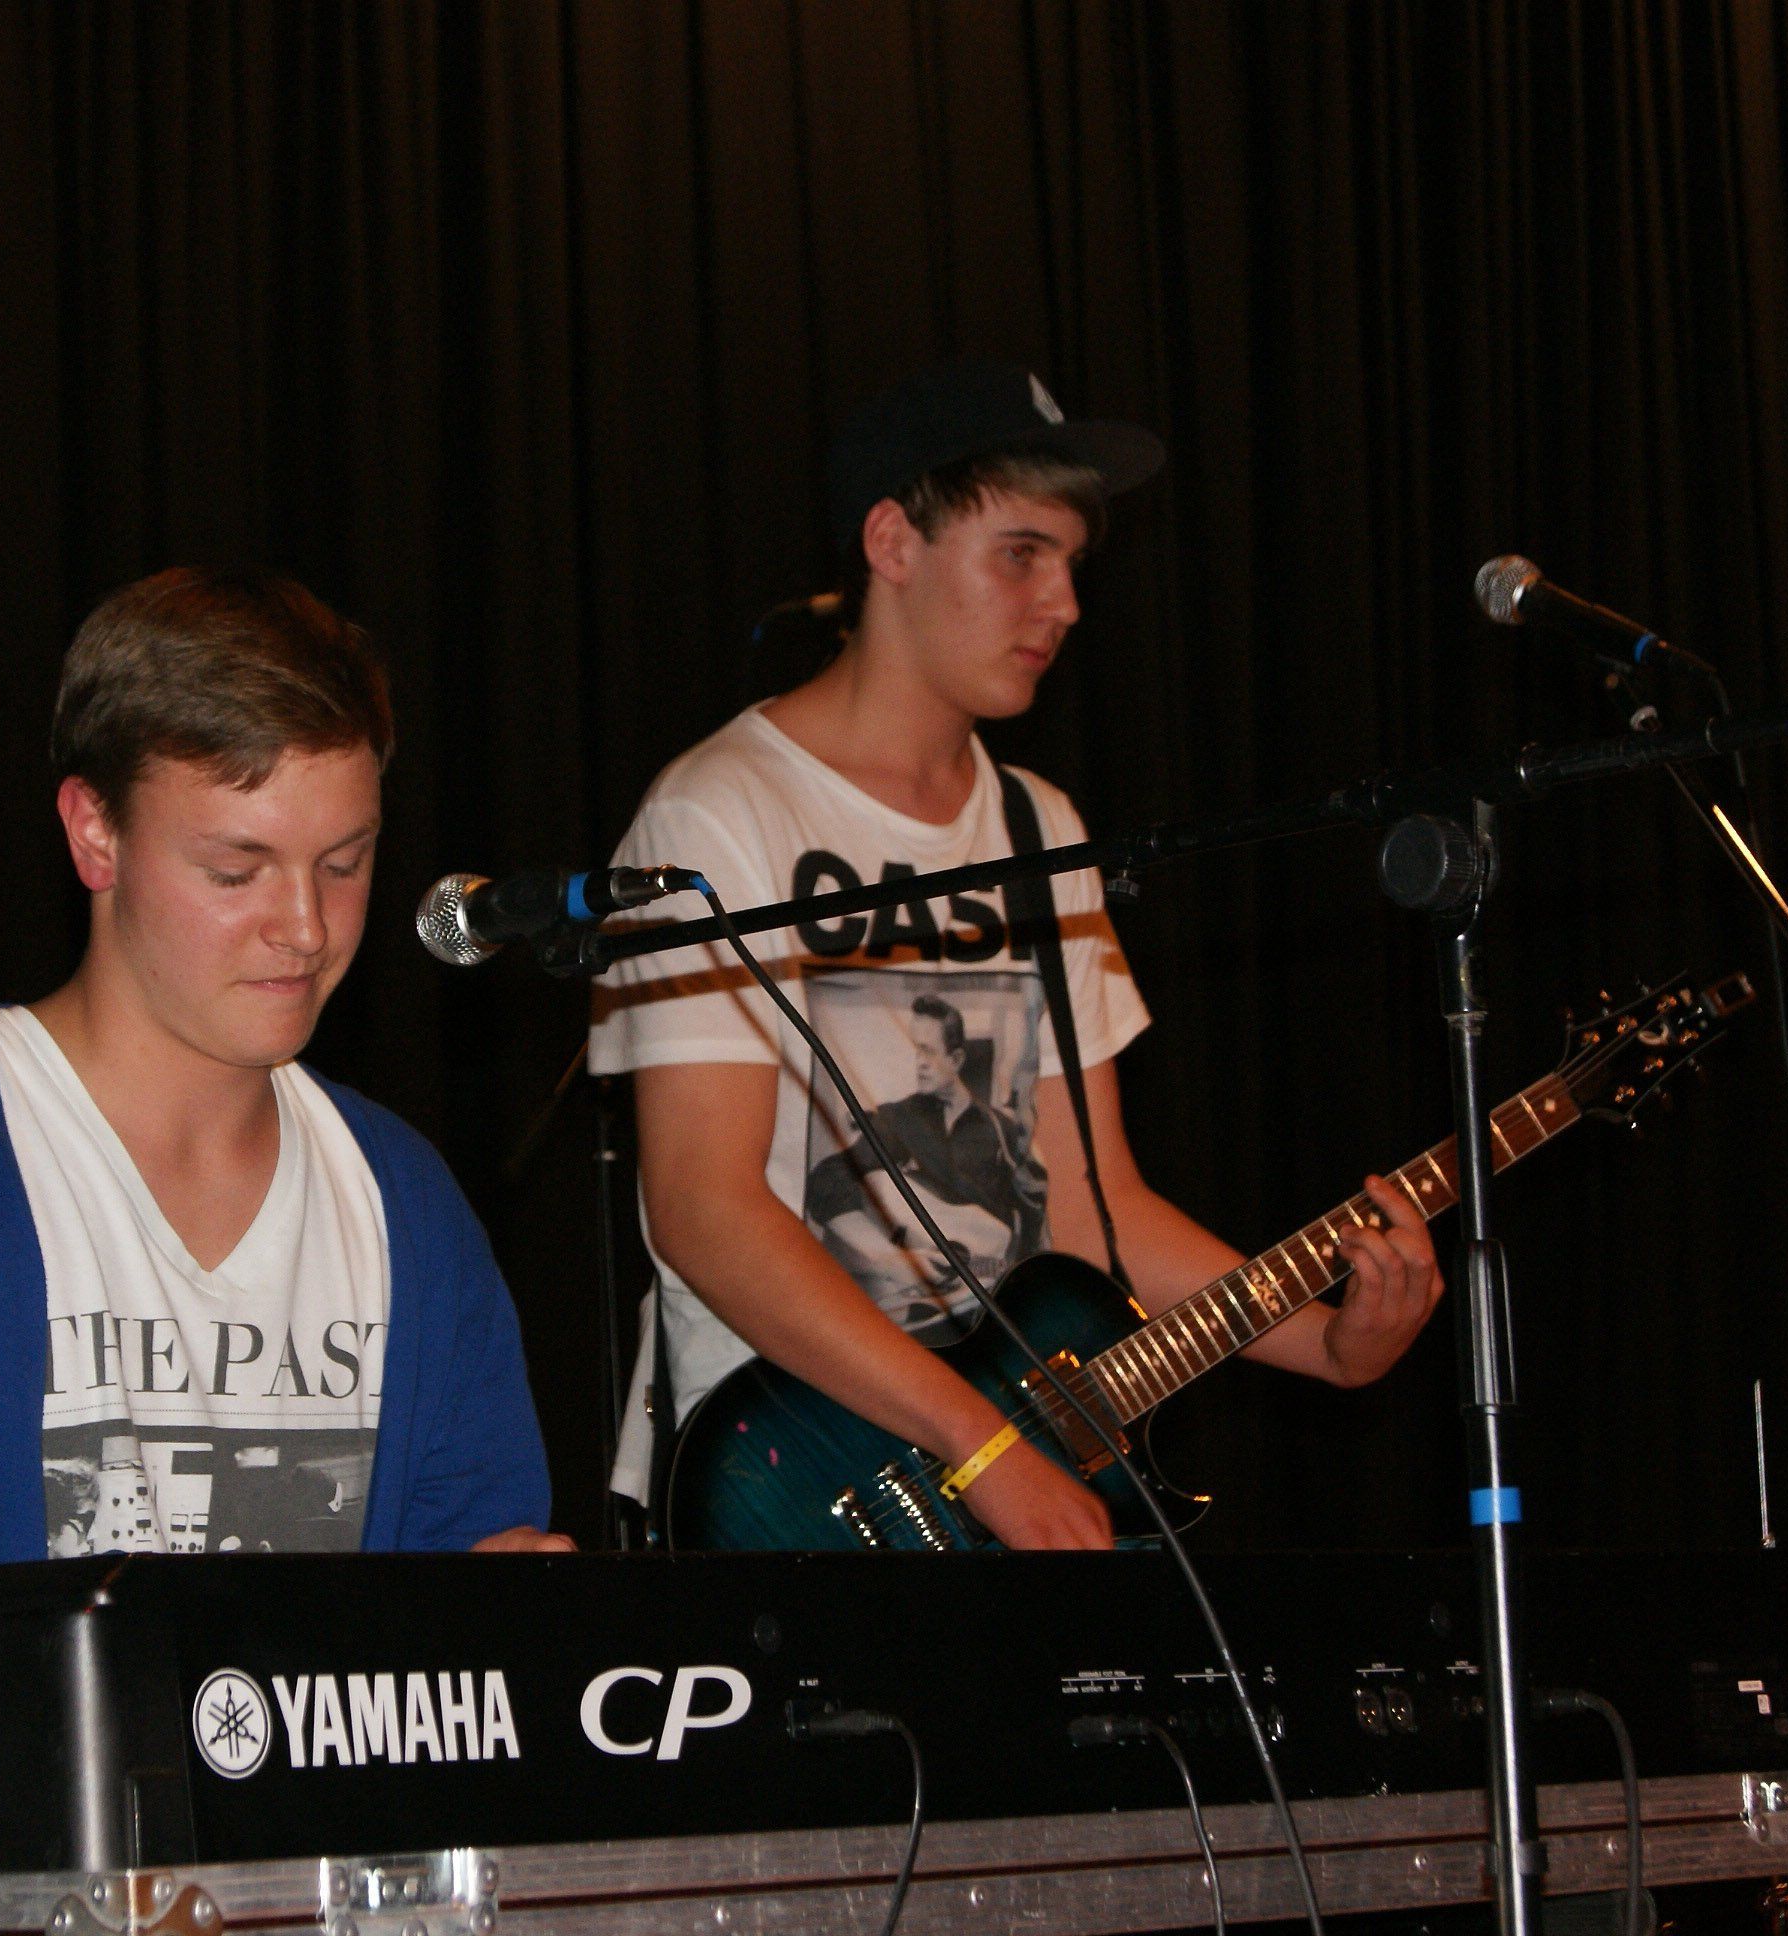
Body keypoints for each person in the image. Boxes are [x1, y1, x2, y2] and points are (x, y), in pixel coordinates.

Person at [588, 361, 1444, 1550]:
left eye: (1073, 564)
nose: (1065, 604)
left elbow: (1091, 1204)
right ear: (892, 542)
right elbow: (703, 1209)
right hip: (786, 1486)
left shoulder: (1042, 829)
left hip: (981, 1474)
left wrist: (1327, 1345)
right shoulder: (718, 815)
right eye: (1022, 554)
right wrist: (978, 1442)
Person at [0, 567, 567, 1588]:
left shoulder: (406, 1204)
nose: (306, 927)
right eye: (236, 871)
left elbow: (460, 1614)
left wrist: (501, 1613)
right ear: (96, 832)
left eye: (344, 863)